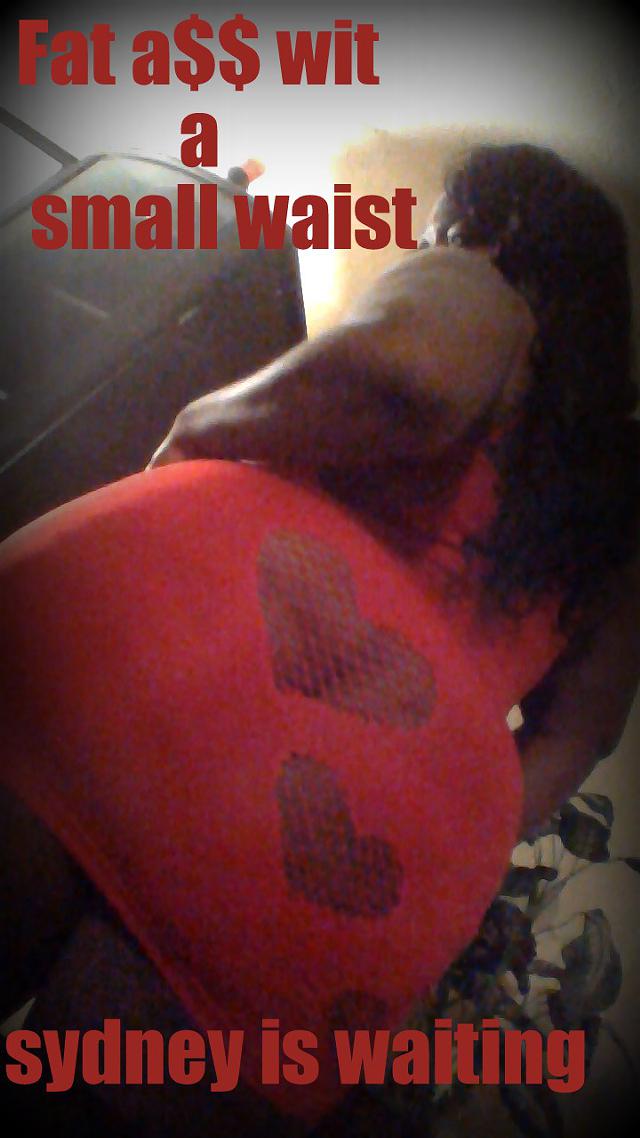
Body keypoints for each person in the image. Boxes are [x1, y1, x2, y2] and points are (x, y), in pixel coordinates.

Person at [1, 142, 639, 1137]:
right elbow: (579, 736)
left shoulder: (489, 291)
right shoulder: (620, 505)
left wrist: (193, 431)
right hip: (351, 882)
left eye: (435, 231)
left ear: (498, 228)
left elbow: (409, 372)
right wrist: (434, 801)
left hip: (152, 696)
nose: (426, 247)